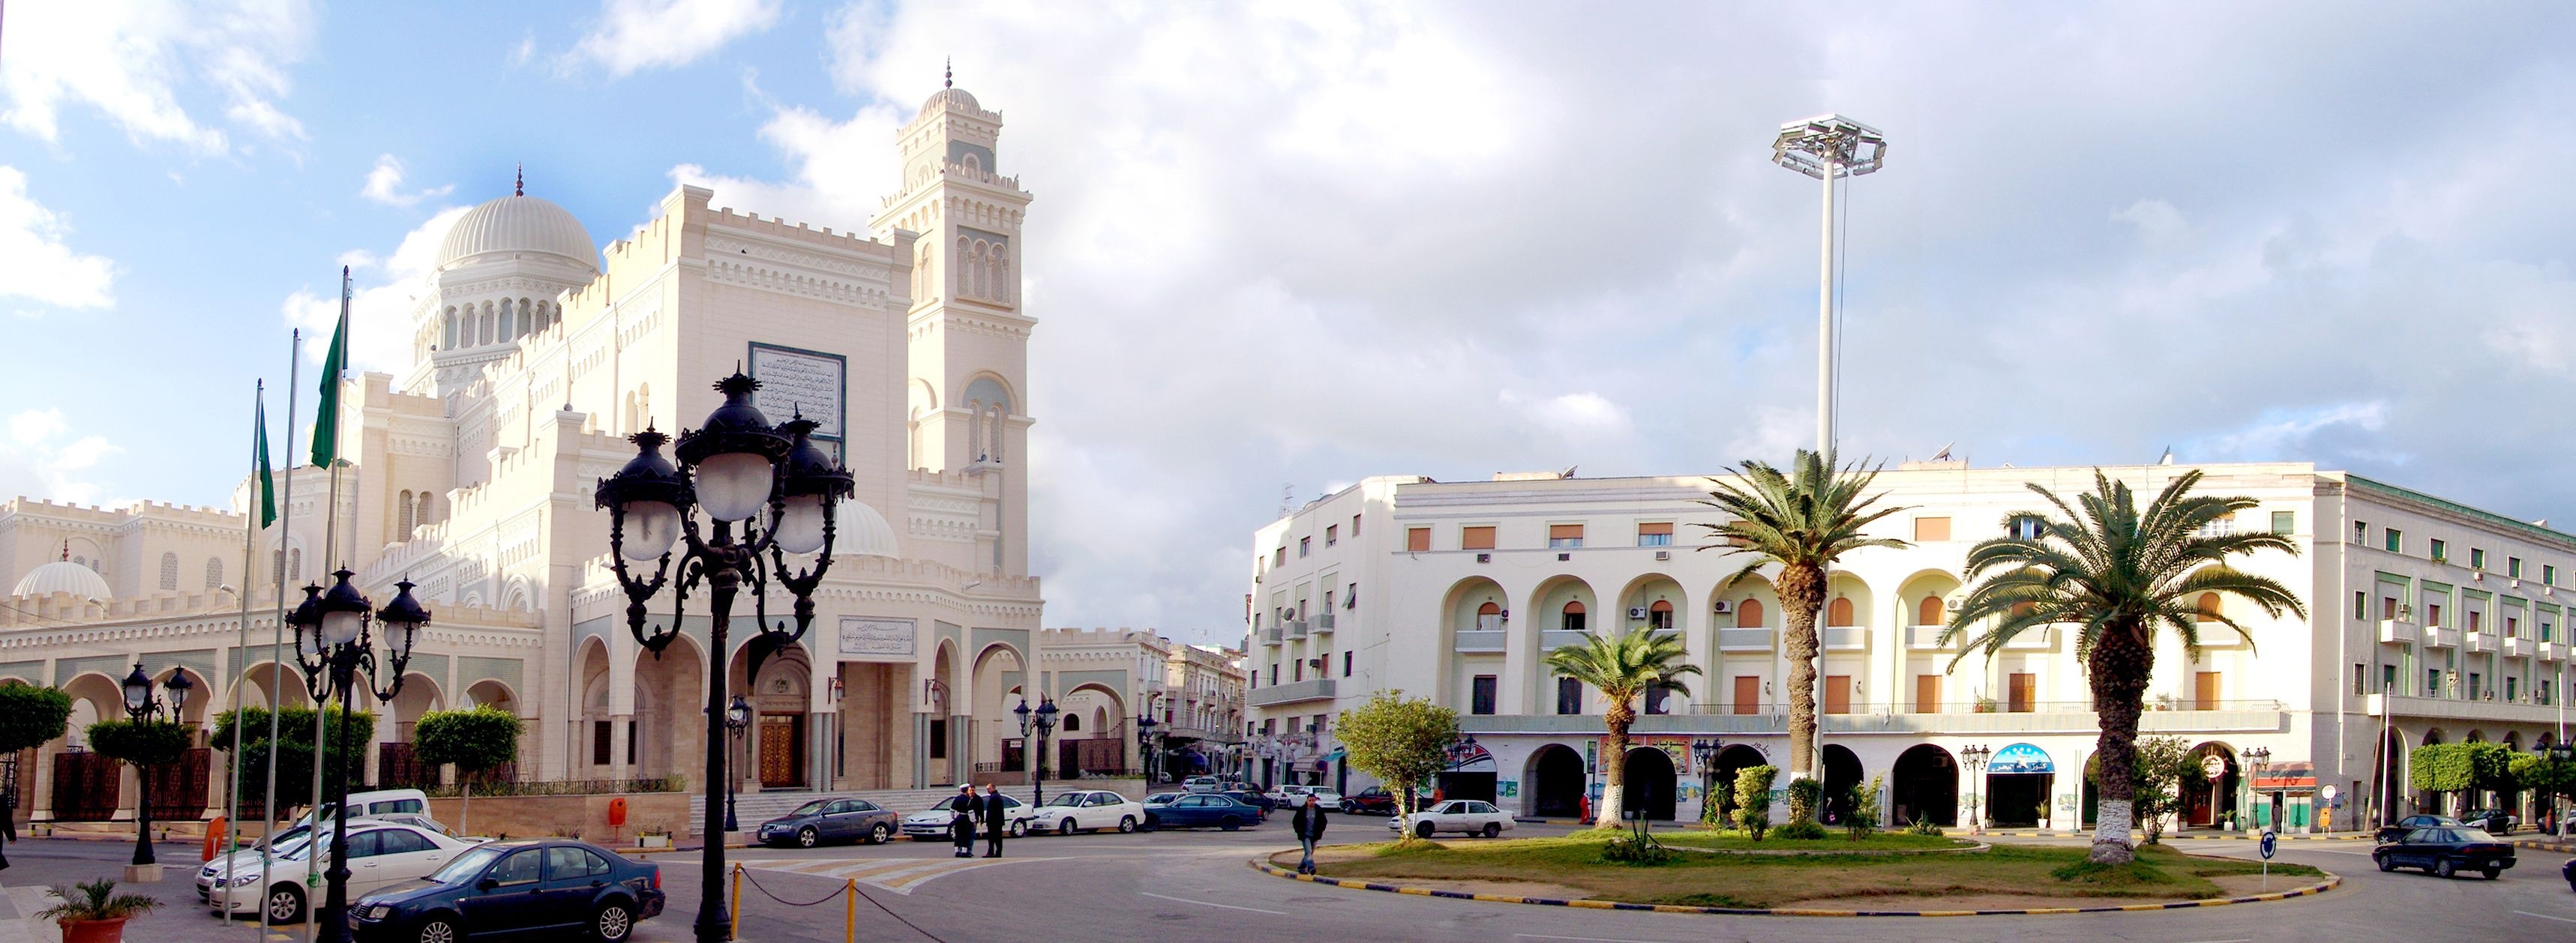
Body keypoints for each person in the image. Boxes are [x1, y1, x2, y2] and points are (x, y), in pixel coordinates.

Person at [1291, 794, 1328, 875]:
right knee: (1309, 852)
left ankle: (1301, 867)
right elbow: (1295, 821)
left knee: (1309, 853)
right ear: (1307, 800)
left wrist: (1321, 830)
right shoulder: (1302, 810)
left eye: (1313, 800)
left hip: (1315, 835)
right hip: (1305, 835)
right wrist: (1299, 831)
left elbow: (1324, 821)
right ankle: (1311, 868)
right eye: (1310, 800)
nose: (1312, 802)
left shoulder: (1318, 810)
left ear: (1315, 801)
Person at [948, 785, 978, 858]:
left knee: (958, 835)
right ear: (967, 790)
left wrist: (954, 817)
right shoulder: (968, 799)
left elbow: (952, 810)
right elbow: (971, 811)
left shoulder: (957, 798)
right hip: (966, 818)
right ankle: (964, 852)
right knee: (966, 835)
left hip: (959, 818)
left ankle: (957, 851)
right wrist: (973, 821)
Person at [981, 783, 1009, 858]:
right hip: (995, 822)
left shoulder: (995, 797)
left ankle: (994, 852)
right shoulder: (995, 796)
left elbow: (993, 811)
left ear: (993, 788)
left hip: (995, 822)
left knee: (995, 838)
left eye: (989, 789)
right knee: (995, 838)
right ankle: (994, 852)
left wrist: (989, 820)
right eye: (987, 789)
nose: (988, 790)